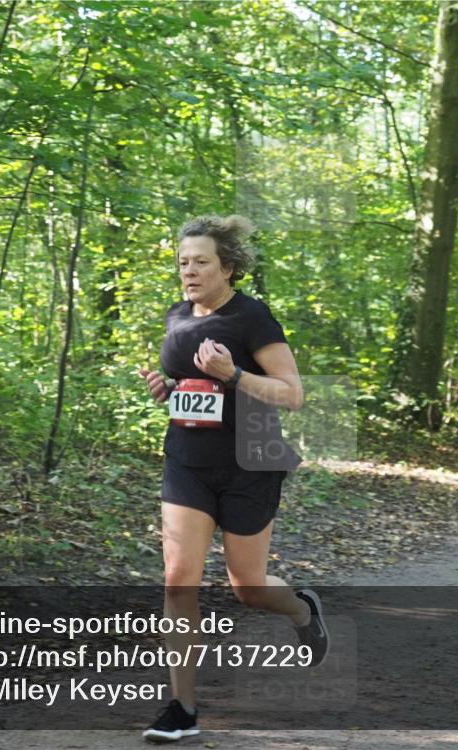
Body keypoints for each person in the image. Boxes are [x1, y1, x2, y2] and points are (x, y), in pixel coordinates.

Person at [137, 215, 328, 743]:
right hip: (188, 461)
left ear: (228, 268)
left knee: (248, 588)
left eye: (201, 262)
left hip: (251, 462)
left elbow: (292, 393)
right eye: (183, 262)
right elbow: (192, 387)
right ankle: (183, 708)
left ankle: (301, 609)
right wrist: (167, 390)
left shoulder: (252, 317)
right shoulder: (178, 316)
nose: (189, 271)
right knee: (179, 579)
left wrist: (236, 374)